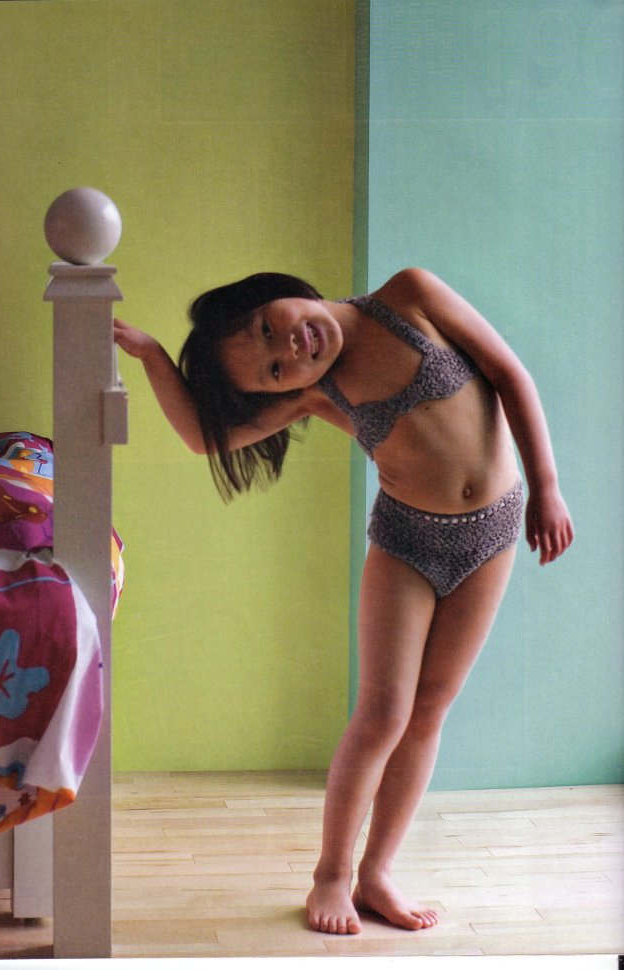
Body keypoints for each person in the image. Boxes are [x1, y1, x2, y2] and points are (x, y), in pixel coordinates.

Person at [113, 267, 573, 936]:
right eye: (275, 371)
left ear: (274, 289)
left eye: (267, 328)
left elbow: (509, 374)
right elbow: (203, 437)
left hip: (493, 536)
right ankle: (331, 873)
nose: (289, 349)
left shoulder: (410, 296)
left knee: (429, 711)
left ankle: (376, 873)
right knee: (383, 713)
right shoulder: (318, 392)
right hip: (406, 545)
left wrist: (547, 486)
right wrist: (154, 356)